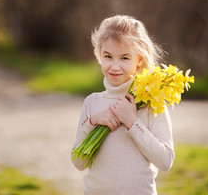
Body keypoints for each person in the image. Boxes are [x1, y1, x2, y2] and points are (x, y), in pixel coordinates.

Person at [71, 15, 175, 195]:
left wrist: (133, 122)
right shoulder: (92, 103)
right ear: (99, 55)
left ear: (139, 61)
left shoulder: (152, 103)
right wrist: (92, 121)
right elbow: (78, 162)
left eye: (125, 58)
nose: (115, 66)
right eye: (108, 56)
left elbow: (165, 161)